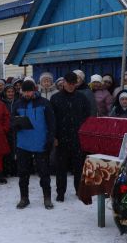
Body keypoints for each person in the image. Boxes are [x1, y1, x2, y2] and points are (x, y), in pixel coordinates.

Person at [12, 79, 55, 209]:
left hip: (40, 143)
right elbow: (11, 121)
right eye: (24, 91)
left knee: (44, 173)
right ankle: (24, 198)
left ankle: (47, 198)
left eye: (29, 91)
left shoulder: (44, 103)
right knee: (23, 174)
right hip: (23, 144)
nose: (27, 94)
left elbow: (52, 123)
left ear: (34, 90)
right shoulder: (17, 104)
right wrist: (16, 126)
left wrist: (50, 139)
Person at [50, 72, 90, 202]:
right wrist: (54, 136)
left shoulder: (82, 98)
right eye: (69, 83)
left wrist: (84, 134)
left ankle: (79, 190)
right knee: (61, 167)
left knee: (78, 166)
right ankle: (60, 192)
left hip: (77, 137)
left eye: (74, 84)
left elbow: (87, 117)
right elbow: (52, 119)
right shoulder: (55, 98)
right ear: (64, 83)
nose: (71, 86)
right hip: (61, 137)